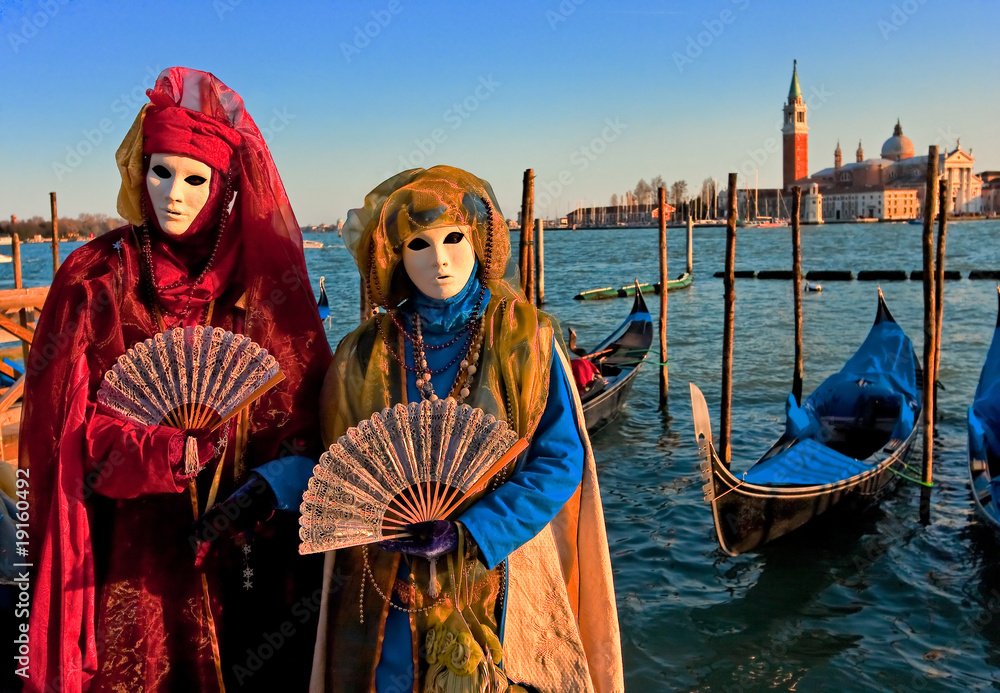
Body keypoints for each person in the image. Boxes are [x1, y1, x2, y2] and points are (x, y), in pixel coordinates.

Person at [20, 67, 331, 692]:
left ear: (225, 186)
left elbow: (308, 422)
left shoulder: (264, 291)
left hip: (246, 548)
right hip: (133, 549)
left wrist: (264, 486)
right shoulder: (98, 281)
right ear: (140, 171)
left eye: (196, 179)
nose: (175, 195)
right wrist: (161, 451)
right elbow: (66, 439)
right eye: (161, 172)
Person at [304, 166, 624, 692]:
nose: (441, 260)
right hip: (390, 592)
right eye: (418, 244)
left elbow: (560, 458)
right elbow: (340, 469)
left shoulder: (526, 338)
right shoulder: (364, 353)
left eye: (454, 238)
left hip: (500, 571)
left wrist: (473, 532)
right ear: (394, 256)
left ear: (480, 239)